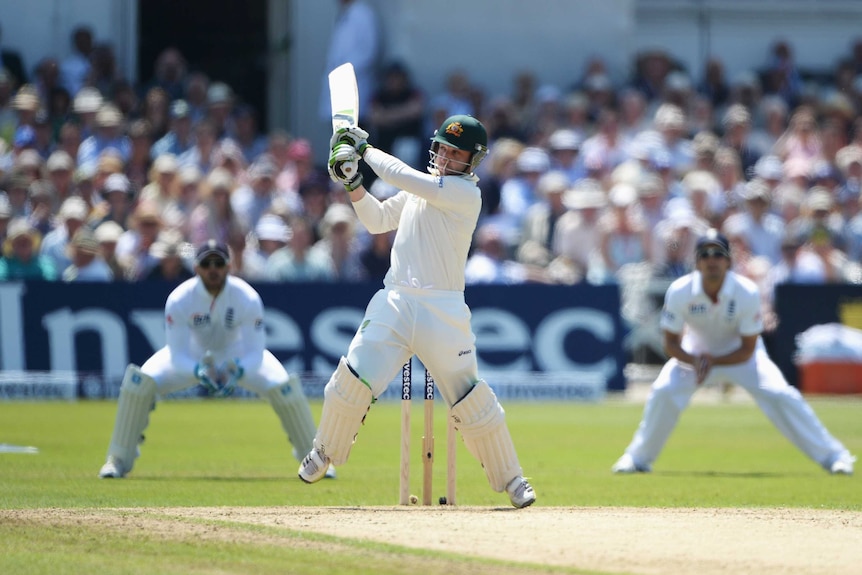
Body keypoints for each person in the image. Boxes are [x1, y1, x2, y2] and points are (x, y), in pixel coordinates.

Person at [298, 114, 536, 508]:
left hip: (443, 310)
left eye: (454, 152)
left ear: (472, 160)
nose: (444, 156)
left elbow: (406, 177)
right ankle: (324, 451)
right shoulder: (421, 189)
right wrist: (353, 183)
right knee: (351, 378)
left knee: (471, 400)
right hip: (395, 300)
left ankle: (512, 480)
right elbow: (376, 222)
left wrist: (364, 149)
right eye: (441, 147)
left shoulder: (464, 194)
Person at [611, 229, 856, 476]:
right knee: (663, 390)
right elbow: (671, 344)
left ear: (728, 260)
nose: (711, 260)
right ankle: (637, 458)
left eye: (718, 254)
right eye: (705, 254)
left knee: (781, 395)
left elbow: (749, 348)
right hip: (695, 353)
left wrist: (712, 361)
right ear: (697, 261)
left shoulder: (746, 291)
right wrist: (695, 360)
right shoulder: (680, 290)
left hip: (740, 356)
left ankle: (835, 456)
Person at [98, 240, 335, 479]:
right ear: (196, 268)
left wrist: (238, 369)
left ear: (229, 266)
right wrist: (199, 370)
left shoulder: (246, 297)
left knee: (285, 388)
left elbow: (256, 351)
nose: (213, 269)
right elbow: (176, 353)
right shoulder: (180, 299)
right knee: (139, 383)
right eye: (206, 263)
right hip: (193, 356)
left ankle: (315, 462)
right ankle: (117, 460)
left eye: (218, 263)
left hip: (238, 356)